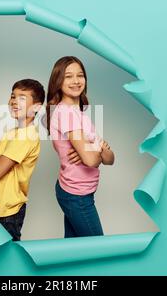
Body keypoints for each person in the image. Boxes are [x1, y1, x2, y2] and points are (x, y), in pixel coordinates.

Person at [46, 56, 115, 238]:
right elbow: (92, 160)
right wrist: (95, 149)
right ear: (58, 81)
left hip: (79, 193)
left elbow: (110, 159)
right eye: (68, 76)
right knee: (97, 250)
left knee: (74, 251)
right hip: (76, 196)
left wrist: (91, 149)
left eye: (80, 75)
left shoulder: (79, 112)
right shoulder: (66, 113)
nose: (76, 81)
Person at [0, 79, 45, 241]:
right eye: (12, 96)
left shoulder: (26, 136)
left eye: (22, 97)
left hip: (7, 212)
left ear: (36, 107)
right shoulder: (11, 133)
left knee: (7, 260)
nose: (14, 101)